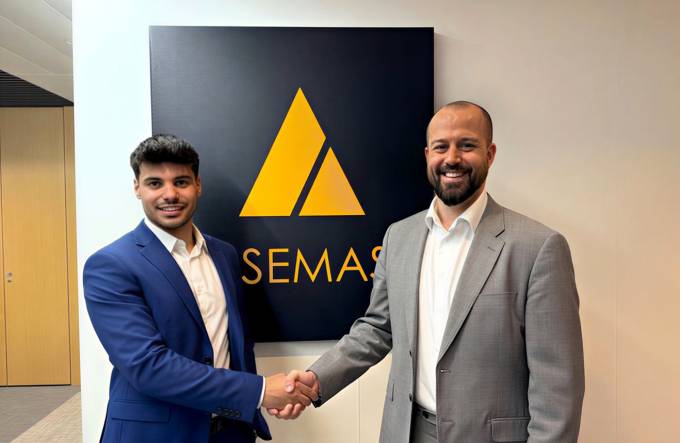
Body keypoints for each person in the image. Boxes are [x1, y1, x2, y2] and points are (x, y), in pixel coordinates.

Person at [270, 102, 585, 442]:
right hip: (407, 431)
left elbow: (558, 385)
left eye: (467, 145)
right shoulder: (399, 237)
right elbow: (378, 328)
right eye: (441, 147)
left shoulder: (538, 247)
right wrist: (316, 380)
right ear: (427, 155)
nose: (452, 158)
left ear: (490, 154)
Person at [84, 134, 316, 443]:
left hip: (231, 432)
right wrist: (260, 392)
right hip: (155, 435)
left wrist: (260, 401)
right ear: (137, 187)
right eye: (155, 183)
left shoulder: (224, 254)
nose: (170, 194)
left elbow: (235, 345)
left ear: (198, 185)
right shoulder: (111, 265)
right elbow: (147, 366)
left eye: (181, 182)